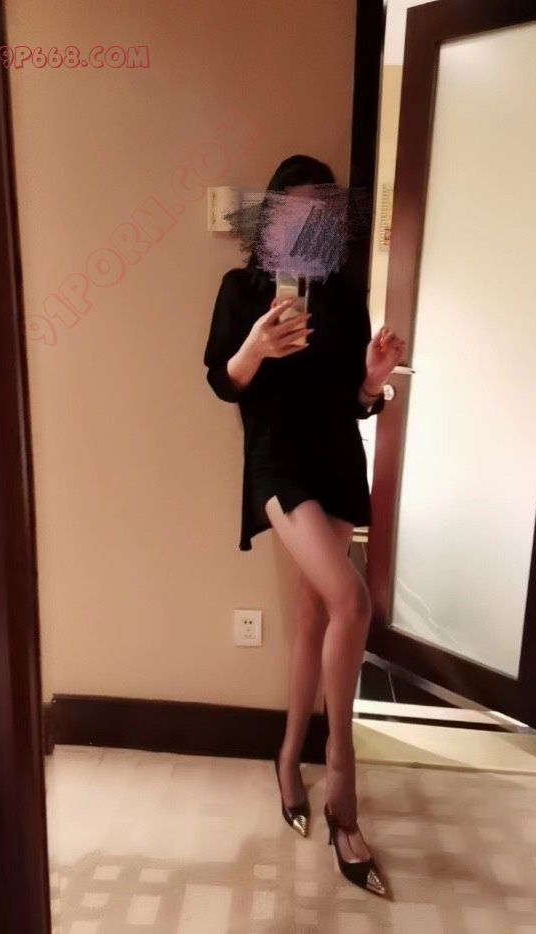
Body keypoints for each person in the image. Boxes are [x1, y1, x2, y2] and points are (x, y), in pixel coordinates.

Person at [203, 155, 405, 895]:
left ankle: (289, 756)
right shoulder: (242, 289)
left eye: (322, 211)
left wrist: (373, 380)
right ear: (272, 216)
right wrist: (256, 346)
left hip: (336, 464)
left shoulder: (345, 296)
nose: (308, 221)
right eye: (295, 209)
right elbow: (222, 381)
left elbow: (355, 402)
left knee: (317, 614)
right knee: (352, 600)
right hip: (277, 465)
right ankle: (341, 781)